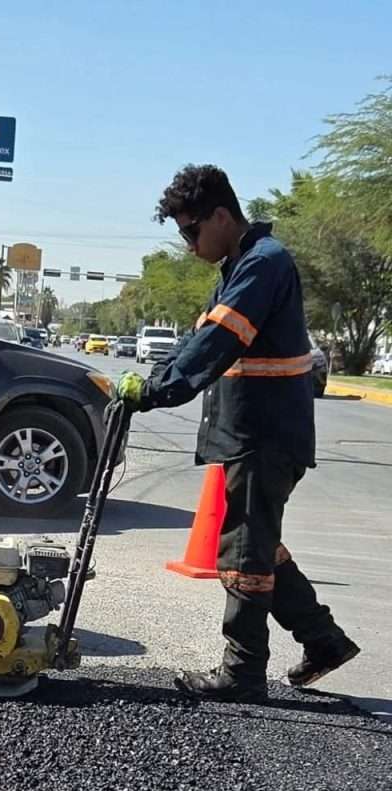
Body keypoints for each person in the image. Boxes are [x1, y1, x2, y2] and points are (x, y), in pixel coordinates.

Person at [118, 164, 359, 701]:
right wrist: (152, 382)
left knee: (245, 552)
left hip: (264, 434)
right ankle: (324, 641)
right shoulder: (238, 267)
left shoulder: (263, 265)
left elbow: (218, 343)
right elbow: (197, 338)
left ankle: (243, 672)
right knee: (257, 542)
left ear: (221, 216)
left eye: (190, 231)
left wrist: (160, 392)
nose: (187, 245)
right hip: (255, 433)